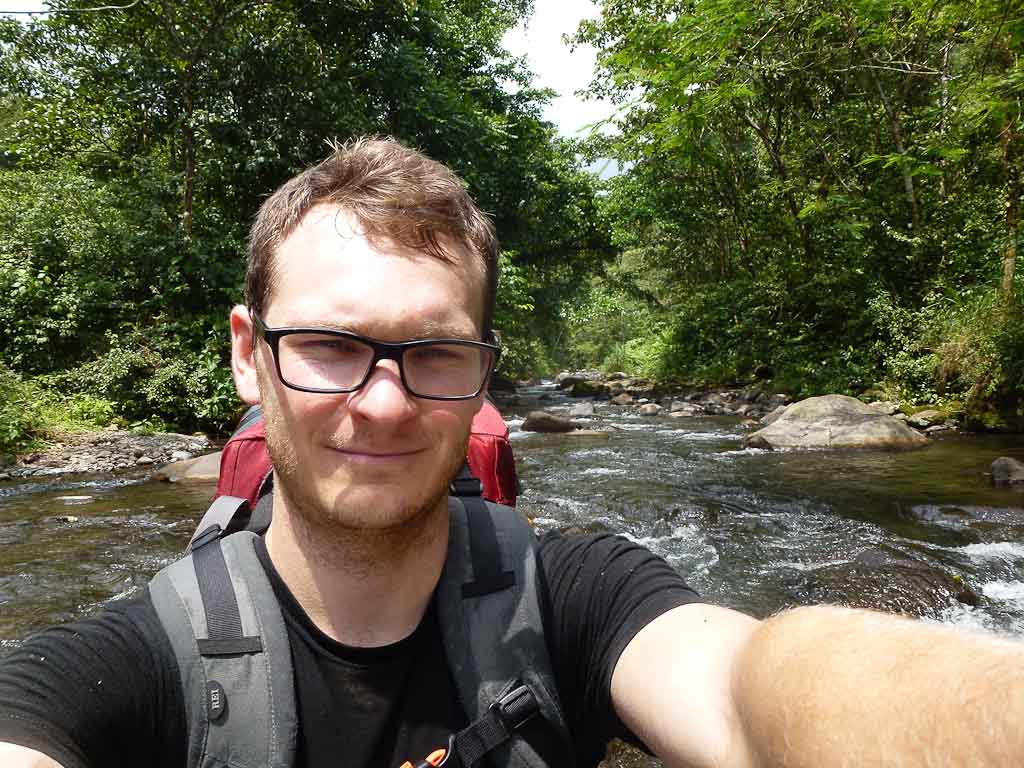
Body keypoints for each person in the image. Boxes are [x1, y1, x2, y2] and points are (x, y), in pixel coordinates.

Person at [1, 138, 1023, 768]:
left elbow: (750, 687)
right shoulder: (124, 668)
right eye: (328, 347)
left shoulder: (576, 596)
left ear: (484, 371)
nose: (386, 402)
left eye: (434, 352)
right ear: (246, 355)